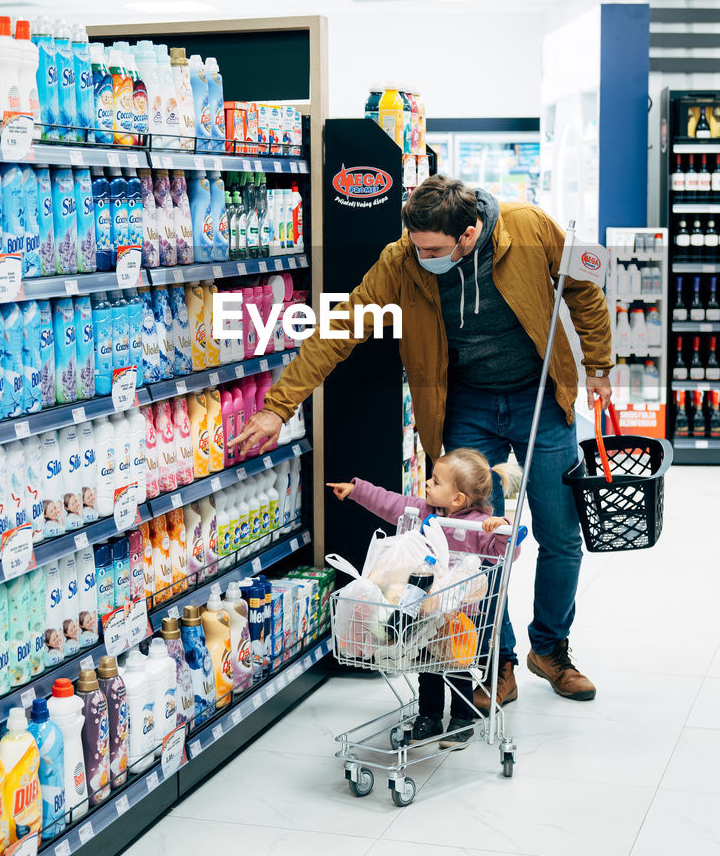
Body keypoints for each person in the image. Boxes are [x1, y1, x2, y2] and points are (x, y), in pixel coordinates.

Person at [234, 175, 612, 704]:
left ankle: (549, 648)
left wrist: (598, 364)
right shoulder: (402, 259)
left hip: (541, 396)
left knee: (561, 536)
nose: (422, 254)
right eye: (416, 243)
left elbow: (583, 290)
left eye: (433, 248)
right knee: (471, 546)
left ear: (469, 232)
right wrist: (279, 405)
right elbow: (340, 327)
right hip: (466, 402)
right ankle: (494, 660)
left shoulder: (528, 228)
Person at [328, 448, 520, 743]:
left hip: (461, 615)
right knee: (426, 665)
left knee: (458, 667)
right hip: (423, 608)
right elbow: (389, 502)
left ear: (457, 499)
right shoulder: (424, 512)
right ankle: (429, 715)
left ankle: (462, 718)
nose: (427, 484)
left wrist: (503, 528)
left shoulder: (481, 526)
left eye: (435, 481)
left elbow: (505, 552)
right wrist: (357, 490)